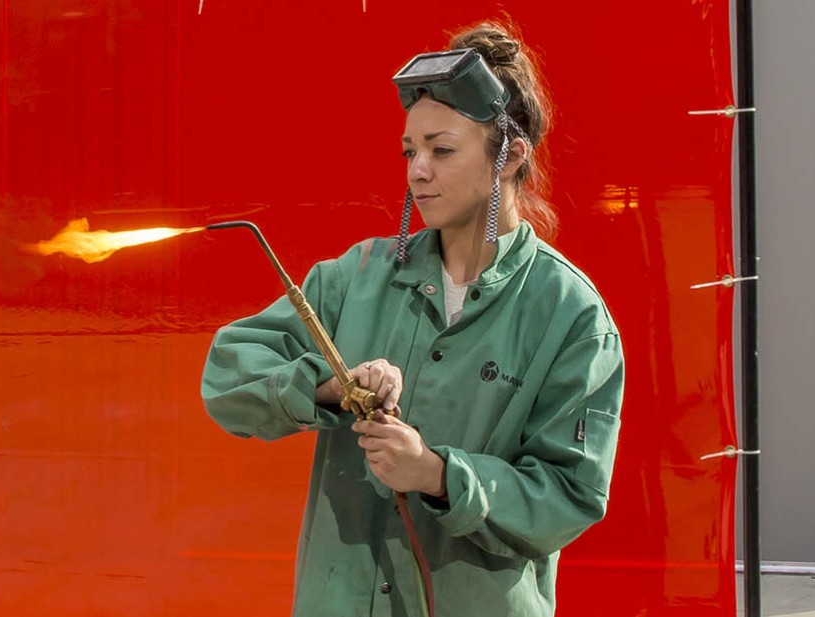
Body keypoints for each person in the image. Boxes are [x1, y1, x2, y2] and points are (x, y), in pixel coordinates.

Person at [200, 20, 625, 617]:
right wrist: (330, 386)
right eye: (410, 150)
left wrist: (437, 474)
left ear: (511, 156)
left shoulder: (570, 315)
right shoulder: (355, 277)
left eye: (441, 149)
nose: (416, 170)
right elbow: (228, 376)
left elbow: (568, 496)